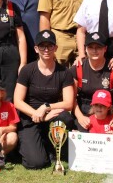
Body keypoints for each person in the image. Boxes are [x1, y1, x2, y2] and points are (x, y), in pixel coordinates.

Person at [14, 30, 75, 169]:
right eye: (42, 46)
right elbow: (17, 101)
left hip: (51, 116)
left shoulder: (64, 72)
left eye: (50, 46)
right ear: (36, 48)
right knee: (36, 163)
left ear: (56, 48)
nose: (46, 49)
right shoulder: (27, 70)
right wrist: (36, 114)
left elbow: (69, 103)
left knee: (65, 118)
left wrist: (46, 107)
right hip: (30, 118)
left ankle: (52, 148)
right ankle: (24, 145)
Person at [70, 32, 113, 132]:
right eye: (91, 47)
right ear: (85, 49)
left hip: (108, 113)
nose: (94, 50)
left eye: (98, 47)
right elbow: (71, 98)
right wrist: (80, 117)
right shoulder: (78, 68)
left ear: (105, 49)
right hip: (85, 111)